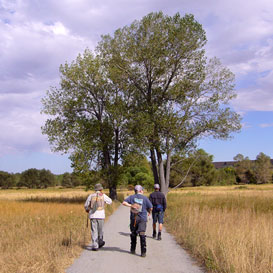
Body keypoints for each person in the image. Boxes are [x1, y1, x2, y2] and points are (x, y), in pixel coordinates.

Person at [122, 185, 152, 257]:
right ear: (141, 190)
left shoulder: (132, 197)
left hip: (134, 218)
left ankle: (133, 249)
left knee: (133, 233)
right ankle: (143, 252)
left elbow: (124, 203)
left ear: (135, 191)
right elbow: (151, 207)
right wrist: (149, 213)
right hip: (142, 218)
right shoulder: (145, 198)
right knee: (142, 233)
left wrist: (131, 206)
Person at [84, 183, 112, 251]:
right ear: (101, 189)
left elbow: (86, 205)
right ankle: (100, 241)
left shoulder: (91, 196)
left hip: (92, 215)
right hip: (101, 215)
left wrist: (88, 210)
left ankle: (95, 245)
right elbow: (110, 201)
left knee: (94, 230)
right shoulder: (103, 195)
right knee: (100, 230)